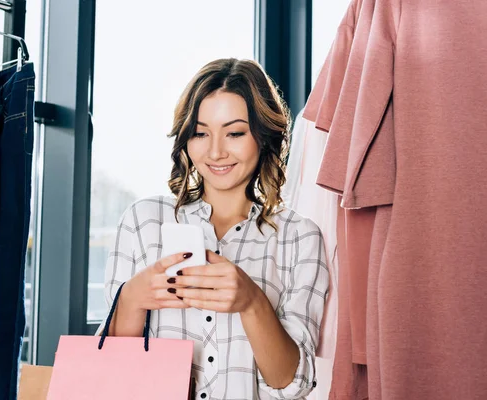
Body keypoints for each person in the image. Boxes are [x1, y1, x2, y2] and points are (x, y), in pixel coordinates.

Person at [98, 58, 328, 400]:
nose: (216, 151)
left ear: (263, 136)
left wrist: (252, 302)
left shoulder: (299, 238)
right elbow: (110, 371)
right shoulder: (144, 221)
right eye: (200, 133)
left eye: (234, 133)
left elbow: (290, 384)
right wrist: (132, 299)